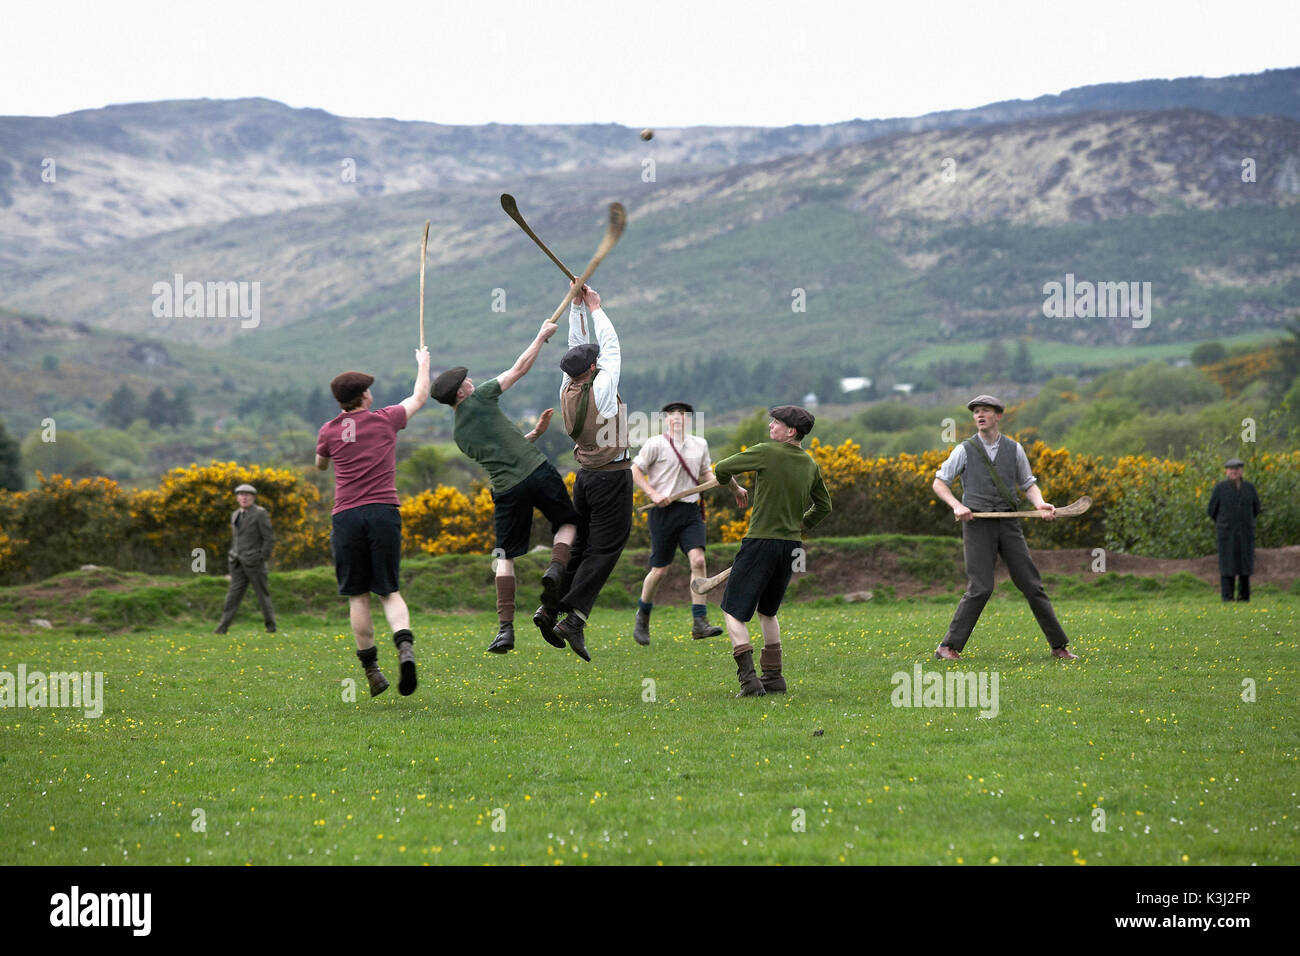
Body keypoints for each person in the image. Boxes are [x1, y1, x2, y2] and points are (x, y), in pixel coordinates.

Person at [432, 319, 579, 654]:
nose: (471, 380)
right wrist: (542, 336)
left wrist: (534, 435)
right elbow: (519, 368)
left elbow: (500, 452)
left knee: (504, 556)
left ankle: (505, 630)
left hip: (507, 490)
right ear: (461, 392)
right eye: (465, 380)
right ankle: (555, 568)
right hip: (537, 471)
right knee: (568, 523)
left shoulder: (459, 436)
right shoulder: (482, 396)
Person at [315, 347, 431, 697]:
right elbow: (420, 396)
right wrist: (423, 363)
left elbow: (320, 465)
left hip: (346, 516)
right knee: (389, 591)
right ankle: (405, 647)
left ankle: (372, 671)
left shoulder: (329, 430)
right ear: (364, 395)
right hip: (383, 512)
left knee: (357, 596)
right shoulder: (386, 419)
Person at [931, 394, 1077, 661]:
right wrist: (956, 506)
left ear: (998, 415)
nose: (980, 415)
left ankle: (1059, 646)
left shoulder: (1015, 449)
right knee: (981, 587)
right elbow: (940, 483)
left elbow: (1028, 483)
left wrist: (1040, 503)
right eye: (976, 412)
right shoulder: (964, 449)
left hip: (1009, 523)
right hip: (977, 524)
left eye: (986, 411)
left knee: (1032, 584)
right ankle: (947, 647)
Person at [534, 282, 632, 662]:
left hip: (585, 478)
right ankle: (574, 618)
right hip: (612, 476)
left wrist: (576, 309)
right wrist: (596, 308)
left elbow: (577, 351)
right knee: (606, 547)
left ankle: (550, 608)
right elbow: (613, 349)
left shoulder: (568, 387)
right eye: (597, 362)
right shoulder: (603, 388)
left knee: (580, 545)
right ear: (594, 368)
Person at [711, 405, 831, 697]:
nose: (770, 427)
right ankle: (774, 678)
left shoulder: (766, 452)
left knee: (733, 610)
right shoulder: (811, 464)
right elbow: (824, 506)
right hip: (791, 547)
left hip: (760, 542)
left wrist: (732, 486)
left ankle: (750, 681)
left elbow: (722, 468)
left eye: (776, 423)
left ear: (791, 431)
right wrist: (801, 527)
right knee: (768, 611)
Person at [631, 401, 747, 644]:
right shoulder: (655, 444)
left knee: (698, 560)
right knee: (660, 570)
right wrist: (652, 494)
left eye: (682, 414)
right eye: (672, 414)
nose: (677, 418)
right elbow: (635, 470)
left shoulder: (699, 444)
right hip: (662, 513)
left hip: (690, 512)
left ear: (689, 419)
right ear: (665, 419)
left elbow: (708, 474)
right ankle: (642, 616)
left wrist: (733, 488)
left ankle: (700, 622)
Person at [214, 482, 276, 634]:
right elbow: (237, 538)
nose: (244, 498)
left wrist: (261, 557)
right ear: (237, 498)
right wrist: (233, 554)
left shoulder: (260, 513)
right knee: (232, 597)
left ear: (253, 497)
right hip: (236, 562)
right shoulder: (235, 514)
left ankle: (271, 627)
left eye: (247, 495)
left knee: (262, 596)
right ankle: (222, 629)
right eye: (241, 495)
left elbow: (269, 538)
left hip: (255, 562)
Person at [1207, 457, 1261, 602]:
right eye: (1231, 469)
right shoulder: (1220, 488)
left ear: (1241, 471)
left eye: (1237, 469)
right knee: (1227, 566)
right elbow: (1212, 510)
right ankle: (1227, 597)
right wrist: (1224, 523)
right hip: (1226, 534)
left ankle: (1244, 597)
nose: (1234, 472)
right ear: (1226, 472)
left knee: (1245, 566)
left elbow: (1256, 508)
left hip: (1245, 533)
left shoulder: (1249, 488)